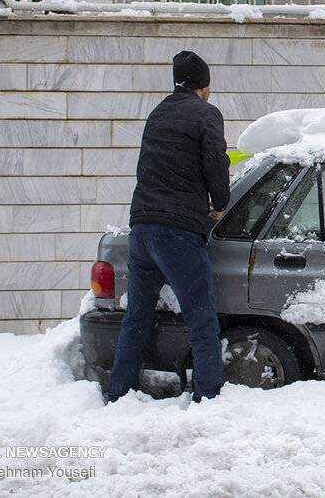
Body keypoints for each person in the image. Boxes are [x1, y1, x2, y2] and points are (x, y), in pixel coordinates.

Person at [107, 50, 231, 403]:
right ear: (204, 85)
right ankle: (207, 396)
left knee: (136, 319)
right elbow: (215, 162)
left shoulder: (157, 114)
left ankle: (120, 393)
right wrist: (219, 204)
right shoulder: (207, 113)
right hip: (177, 232)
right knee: (202, 319)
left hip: (142, 229)